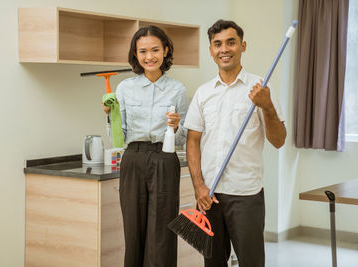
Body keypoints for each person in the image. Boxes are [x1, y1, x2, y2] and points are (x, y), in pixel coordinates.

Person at [184, 20, 286, 267]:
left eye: (231, 42)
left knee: (251, 262)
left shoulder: (261, 89)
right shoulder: (203, 93)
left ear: (243, 46)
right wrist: (198, 186)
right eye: (217, 44)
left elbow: (279, 141)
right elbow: (193, 141)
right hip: (209, 195)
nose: (224, 49)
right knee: (213, 262)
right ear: (211, 50)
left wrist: (267, 106)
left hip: (246, 195)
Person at [103, 25, 188, 267]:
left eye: (154, 50)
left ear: (165, 51)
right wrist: (111, 115)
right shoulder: (125, 88)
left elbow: (181, 139)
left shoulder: (178, 89)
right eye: (142, 51)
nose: (149, 56)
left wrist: (176, 127)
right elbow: (119, 139)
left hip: (165, 158)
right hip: (133, 158)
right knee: (133, 230)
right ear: (135, 54)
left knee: (162, 231)